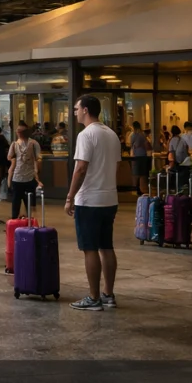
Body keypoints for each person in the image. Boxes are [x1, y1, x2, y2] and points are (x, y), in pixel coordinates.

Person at [66, 95, 121, 311]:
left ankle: (93, 297)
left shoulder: (86, 134)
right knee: (106, 246)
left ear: (86, 110)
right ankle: (108, 294)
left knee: (90, 248)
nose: (75, 112)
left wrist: (70, 197)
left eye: (76, 108)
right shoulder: (111, 134)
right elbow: (116, 166)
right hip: (109, 198)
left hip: (89, 200)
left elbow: (80, 168)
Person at [6, 122, 44, 219]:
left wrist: (37, 171)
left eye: (21, 131)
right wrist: (13, 160)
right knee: (16, 202)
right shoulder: (14, 144)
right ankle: (14, 222)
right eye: (18, 131)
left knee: (30, 203)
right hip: (17, 177)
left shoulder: (33, 143)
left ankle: (30, 222)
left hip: (30, 177)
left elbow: (38, 158)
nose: (19, 133)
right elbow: (9, 156)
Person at [128, 121, 150, 196]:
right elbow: (146, 144)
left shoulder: (132, 135)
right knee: (142, 173)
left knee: (136, 173)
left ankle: (136, 188)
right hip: (143, 155)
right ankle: (142, 188)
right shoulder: (142, 135)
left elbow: (130, 144)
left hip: (135, 155)